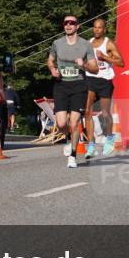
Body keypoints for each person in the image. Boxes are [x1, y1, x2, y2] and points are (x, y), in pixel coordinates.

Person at [47, 15, 99, 169]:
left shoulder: (85, 45)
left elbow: (95, 69)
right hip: (61, 85)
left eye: (72, 23)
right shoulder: (57, 43)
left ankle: (73, 156)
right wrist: (52, 69)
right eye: (66, 23)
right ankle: (69, 140)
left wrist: (84, 65)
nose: (68, 25)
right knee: (62, 123)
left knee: (74, 122)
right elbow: (50, 60)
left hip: (79, 86)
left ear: (78, 26)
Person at [84, 18, 125, 158]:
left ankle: (109, 138)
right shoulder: (88, 43)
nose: (96, 30)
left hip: (105, 80)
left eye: (99, 27)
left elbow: (121, 62)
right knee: (87, 112)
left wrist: (105, 58)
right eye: (95, 27)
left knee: (105, 112)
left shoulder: (109, 43)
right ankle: (90, 145)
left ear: (104, 29)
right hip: (90, 78)